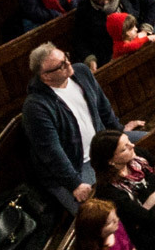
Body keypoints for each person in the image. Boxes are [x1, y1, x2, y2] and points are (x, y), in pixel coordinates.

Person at [20, 42, 136, 212]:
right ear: (46, 77)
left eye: (65, 57)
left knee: (149, 149)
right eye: (61, 65)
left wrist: (119, 133)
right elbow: (52, 152)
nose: (68, 63)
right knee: (100, 213)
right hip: (76, 166)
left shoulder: (81, 72)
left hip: (103, 147)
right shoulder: (36, 106)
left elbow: (104, 109)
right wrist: (74, 184)